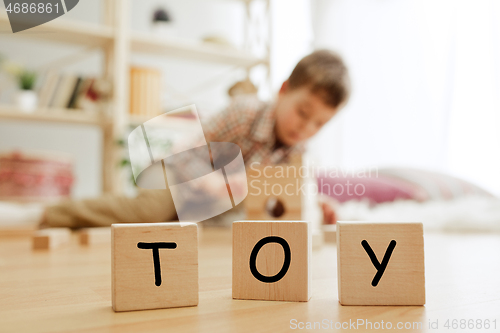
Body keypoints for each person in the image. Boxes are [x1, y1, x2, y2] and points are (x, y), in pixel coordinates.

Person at [39, 49, 350, 228]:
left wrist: (316, 203)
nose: (305, 127)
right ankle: (51, 213)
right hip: (177, 173)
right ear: (283, 91)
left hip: (213, 203)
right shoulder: (244, 112)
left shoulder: (299, 150)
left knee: (209, 230)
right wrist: (209, 182)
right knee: (149, 213)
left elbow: (288, 192)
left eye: (319, 123)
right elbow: (185, 150)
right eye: (302, 112)